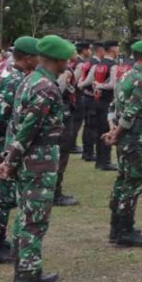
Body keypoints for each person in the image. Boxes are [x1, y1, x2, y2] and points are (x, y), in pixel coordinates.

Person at [0, 34, 74, 282]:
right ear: (58, 60)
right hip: (37, 163)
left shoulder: (30, 81)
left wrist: (10, 160)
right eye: (67, 59)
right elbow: (27, 129)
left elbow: (17, 127)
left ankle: (24, 274)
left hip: (30, 161)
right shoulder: (45, 88)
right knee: (33, 223)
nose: (69, 63)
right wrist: (10, 161)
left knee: (24, 219)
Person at [102, 40, 142, 248]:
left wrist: (112, 129)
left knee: (122, 179)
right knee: (133, 182)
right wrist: (116, 133)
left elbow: (113, 107)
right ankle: (125, 230)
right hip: (134, 139)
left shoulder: (125, 76)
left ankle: (116, 227)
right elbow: (129, 114)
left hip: (125, 139)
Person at [0, 37, 39, 264]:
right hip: (4, 145)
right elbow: (0, 116)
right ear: (28, 58)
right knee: (2, 196)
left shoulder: (5, 73)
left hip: (2, 144)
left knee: (2, 194)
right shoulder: (15, 80)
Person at [80, 40, 119, 171]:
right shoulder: (113, 66)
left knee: (97, 131)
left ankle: (99, 160)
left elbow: (88, 81)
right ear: (113, 50)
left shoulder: (97, 65)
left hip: (96, 101)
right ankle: (105, 161)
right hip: (107, 103)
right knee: (107, 131)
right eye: (117, 49)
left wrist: (83, 84)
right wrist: (101, 85)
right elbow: (114, 84)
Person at [53, 48, 80, 207]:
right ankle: (56, 193)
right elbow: (58, 91)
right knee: (62, 153)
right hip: (64, 115)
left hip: (63, 114)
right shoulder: (66, 72)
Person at [77, 41, 104, 163]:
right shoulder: (95, 64)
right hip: (91, 97)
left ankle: (87, 151)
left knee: (88, 126)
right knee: (91, 127)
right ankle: (88, 152)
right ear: (100, 51)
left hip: (86, 97)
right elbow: (88, 80)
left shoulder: (88, 63)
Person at [69, 42, 92, 156]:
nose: (90, 52)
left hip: (73, 95)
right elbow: (75, 80)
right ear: (84, 50)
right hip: (76, 95)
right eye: (89, 49)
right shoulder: (80, 64)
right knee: (76, 120)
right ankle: (71, 144)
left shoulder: (73, 61)